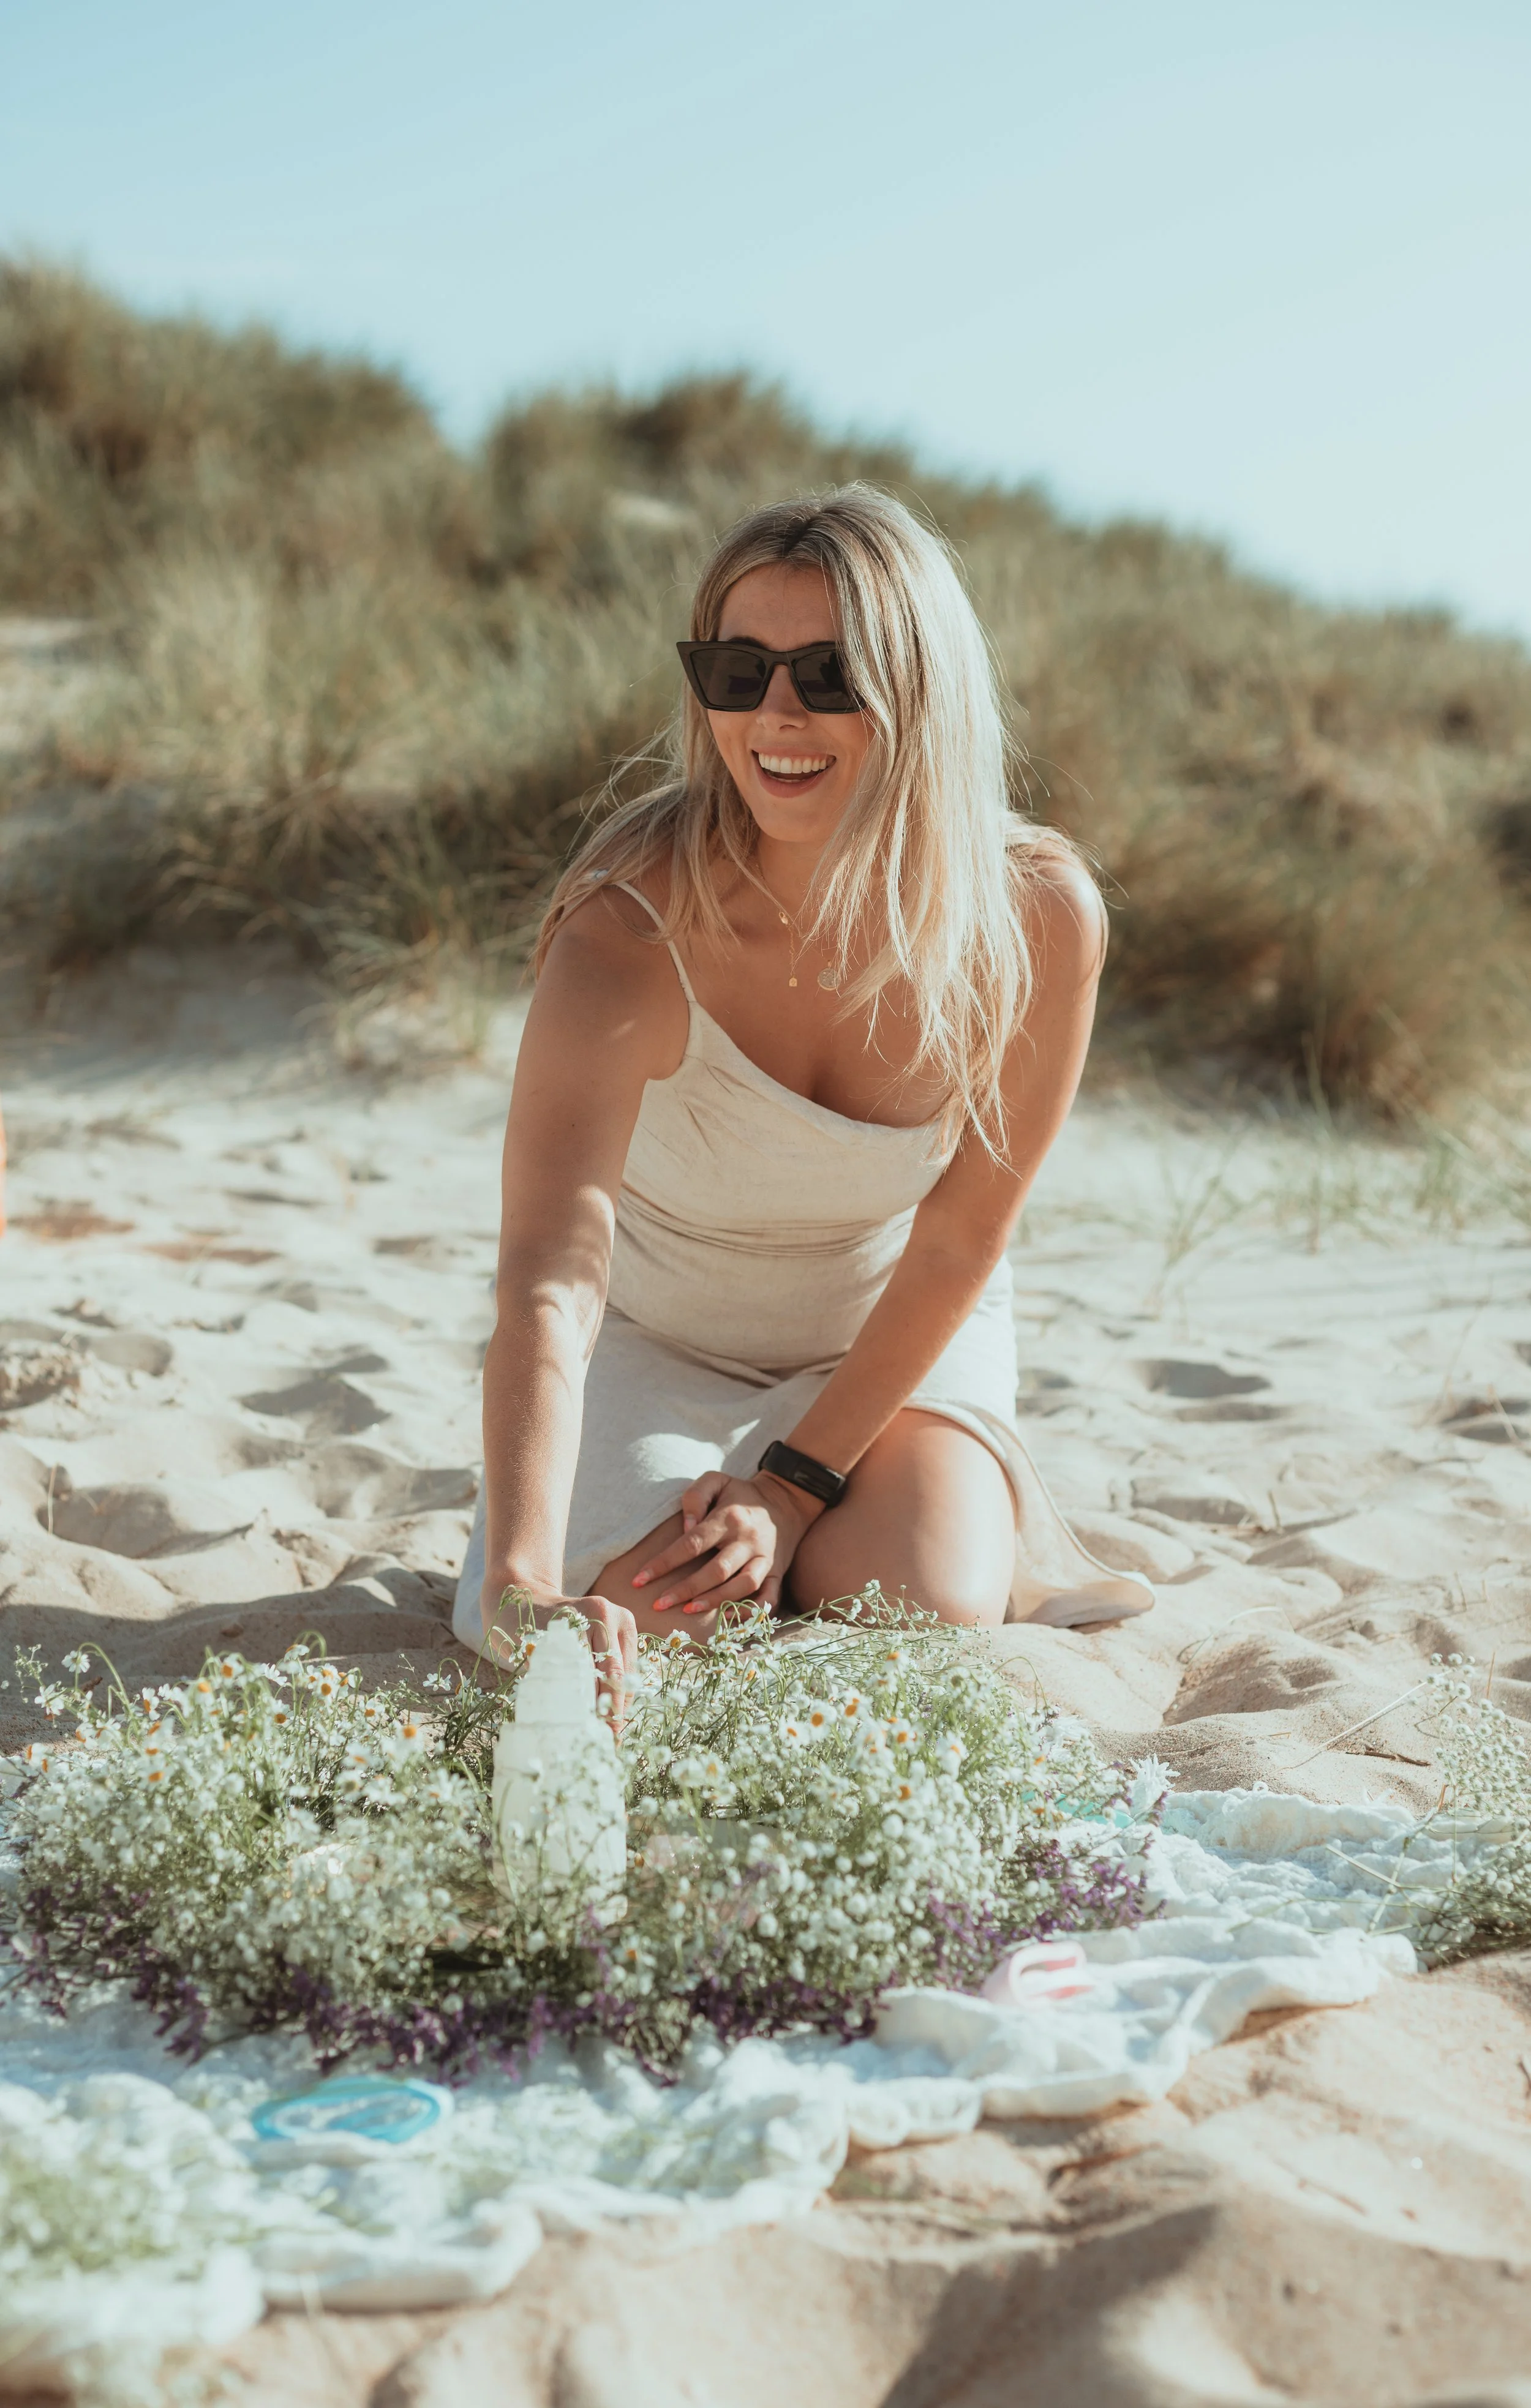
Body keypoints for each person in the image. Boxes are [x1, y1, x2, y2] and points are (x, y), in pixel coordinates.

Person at [451, 486, 1149, 1687]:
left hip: (889, 1334)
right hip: (658, 1337)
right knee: (647, 1625)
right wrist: (522, 1584)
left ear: (916, 689)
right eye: (738, 668)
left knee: (920, 1607)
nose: (775, 713)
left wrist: (786, 1487)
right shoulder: (629, 918)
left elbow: (958, 1240)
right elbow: (548, 1279)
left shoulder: (1033, 917)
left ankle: (867, 1503)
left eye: (829, 673)